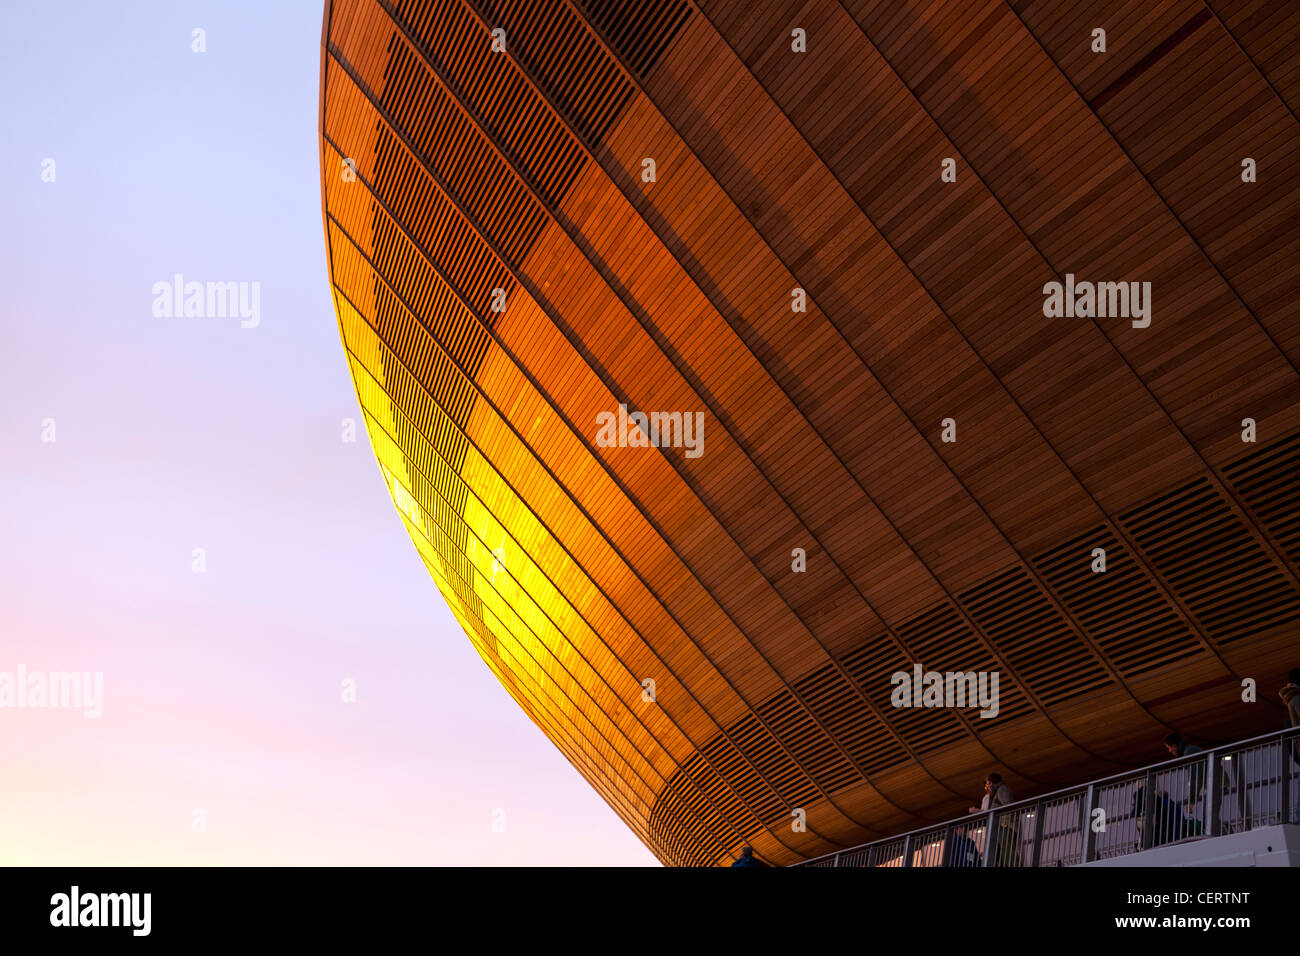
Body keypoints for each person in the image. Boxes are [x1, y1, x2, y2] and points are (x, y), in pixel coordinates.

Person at [968, 773, 1021, 866]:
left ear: (991, 783)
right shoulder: (998, 791)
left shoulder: (1002, 789)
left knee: (1008, 851)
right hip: (1003, 826)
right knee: (1004, 852)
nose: (987, 786)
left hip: (1006, 826)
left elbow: (1009, 806)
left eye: (988, 783)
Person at [1163, 732, 1206, 811]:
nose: (1169, 751)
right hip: (1217, 781)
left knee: (1210, 814)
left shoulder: (1189, 752)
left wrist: (1191, 800)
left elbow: (1194, 776)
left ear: (1174, 746)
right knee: (1210, 814)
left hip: (1216, 782)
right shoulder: (1190, 750)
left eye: (1169, 747)